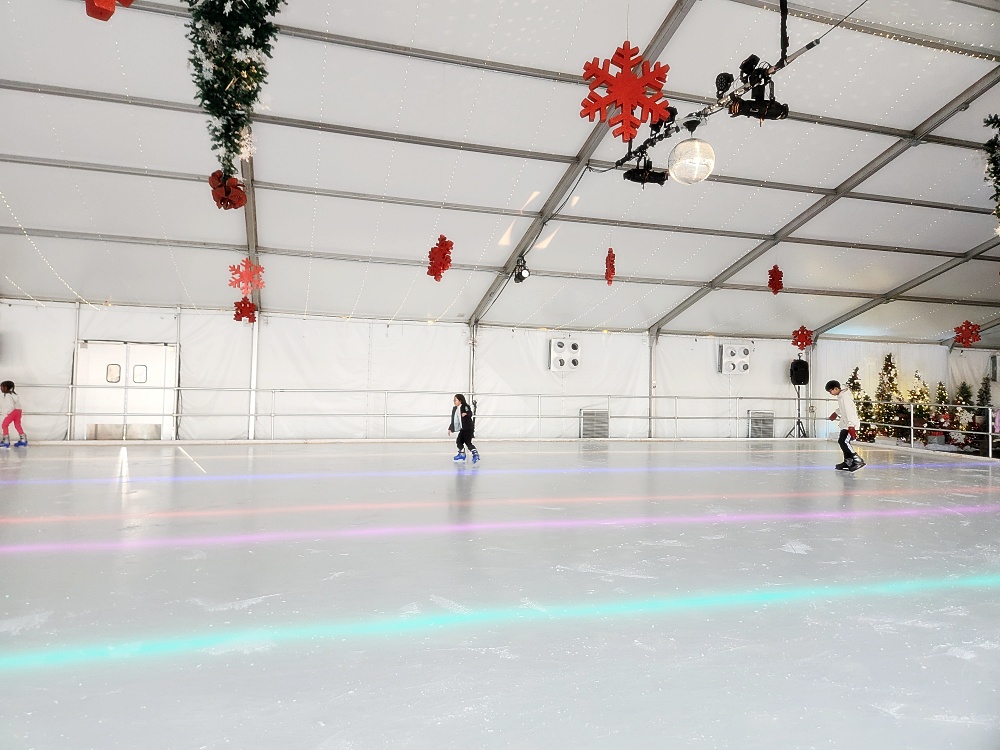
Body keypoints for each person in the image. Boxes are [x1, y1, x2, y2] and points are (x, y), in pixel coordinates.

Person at [825, 379, 864, 472]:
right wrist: (836, 413)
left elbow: (850, 411)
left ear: (836, 388)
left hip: (850, 424)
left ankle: (858, 460)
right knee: (841, 441)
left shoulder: (844, 398)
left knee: (844, 442)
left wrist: (851, 426)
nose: (830, 393)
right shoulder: (841, 396)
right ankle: (848, 461)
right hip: (845, 424)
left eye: (831, 391)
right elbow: (843, 408)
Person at [447, 393, 479, 463]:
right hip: (463, 429)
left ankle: (475, 454)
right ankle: (462, 454)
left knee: (468, 442)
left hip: (468, 428)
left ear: (460, 401)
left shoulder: (465, 406)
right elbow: (454, 420)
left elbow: (470, 413)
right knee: (459, 441)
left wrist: (466, 413)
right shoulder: (455, 409)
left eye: (456, 400)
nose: (454, 401)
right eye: (454, 400)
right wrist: (450, 428)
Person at [1, 380, 27, 448]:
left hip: (12, 411)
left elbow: (10, 406)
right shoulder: (14, 395)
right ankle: (23, 440)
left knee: (4, 425)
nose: (1, 388)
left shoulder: (8, 396)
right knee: (17, 424)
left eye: (2, 387)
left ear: (6, 387)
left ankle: (6, 441)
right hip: (18, 411)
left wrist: (7, 413)